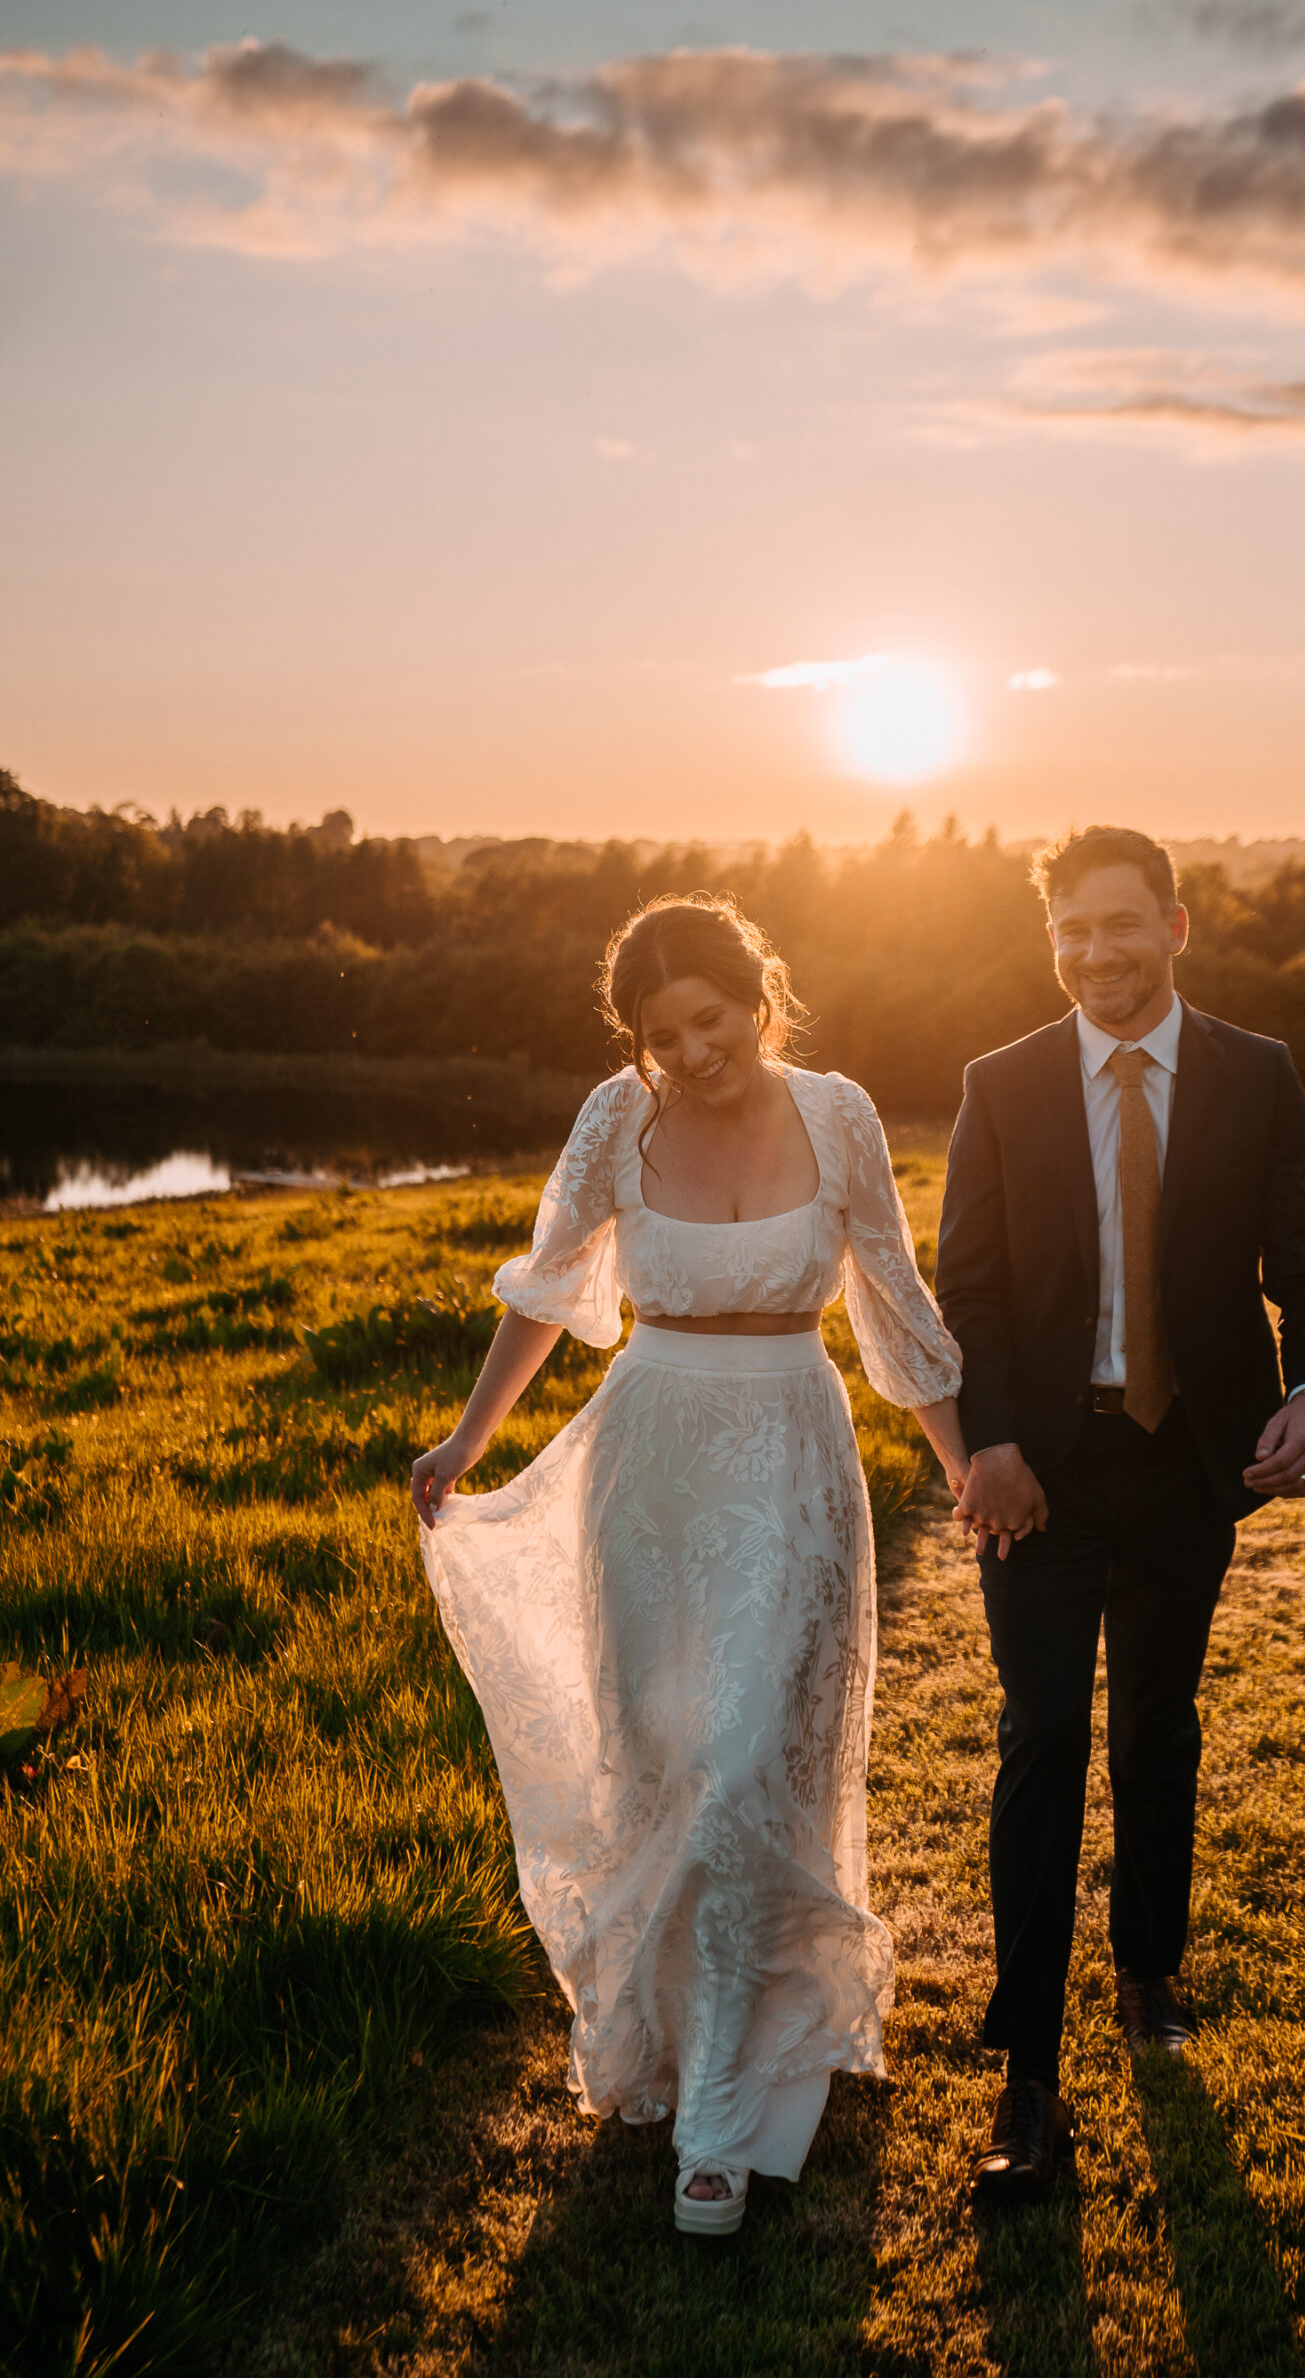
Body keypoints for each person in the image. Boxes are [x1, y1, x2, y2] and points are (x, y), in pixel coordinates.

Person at [413, 894, 965, 2236]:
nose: (692, 1052)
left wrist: (965, 1459)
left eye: (710, 1020)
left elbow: (892, 1294)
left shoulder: (839, 1115)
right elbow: (548, 1291)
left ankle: (721, 2120)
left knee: (741, 1763)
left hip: (790, 1457)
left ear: (756, 993)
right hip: (646, 1468)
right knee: (655, 1760)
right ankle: (666, 2042)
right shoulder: (618, 1117)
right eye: (663, 1037)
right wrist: (467, 1436)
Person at [937, 825, 1305, 2202]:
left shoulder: (1254, 1073)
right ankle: (1030, 2076)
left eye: (1122, 925)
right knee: (1045, 1731)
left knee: (1158, 1726)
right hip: (1041, 1470)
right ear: (1051, 935)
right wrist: (988, 1442)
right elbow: (974, 1287)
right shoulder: (1001, 1086)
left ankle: (1147, 1969)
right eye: (1071, 929)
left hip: (1192, 1465)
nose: (1095, 953)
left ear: (1175, 926)